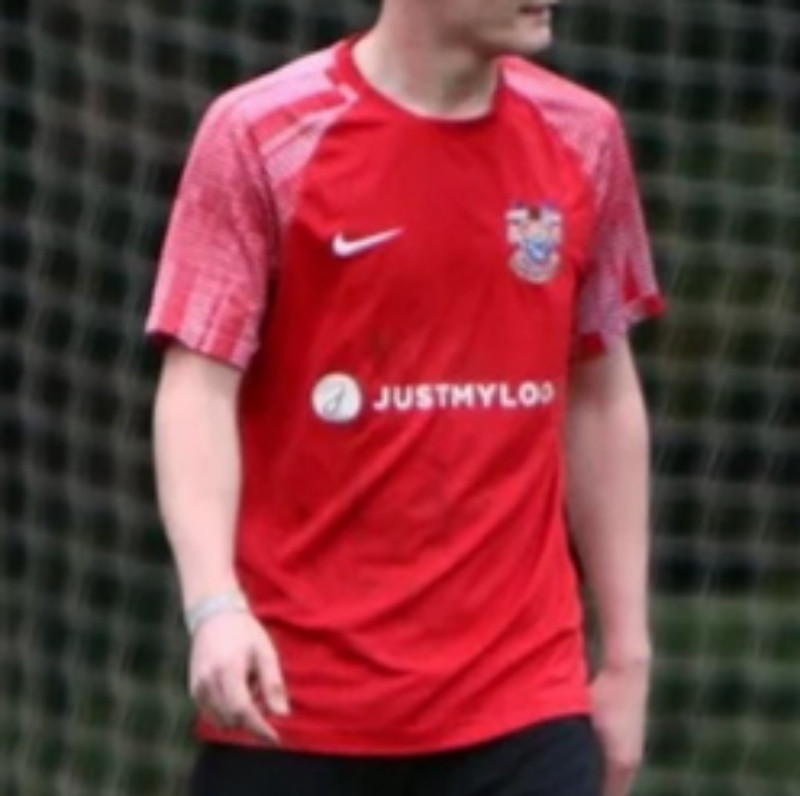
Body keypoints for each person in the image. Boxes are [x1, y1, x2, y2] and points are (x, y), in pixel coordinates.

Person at [147, 0, 664, 794]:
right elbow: (197, 389)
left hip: (524, 705)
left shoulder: (584, 136)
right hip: (292, 704)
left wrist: (628, 656)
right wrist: (214, 606)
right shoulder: (263, 133)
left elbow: (600, 393)